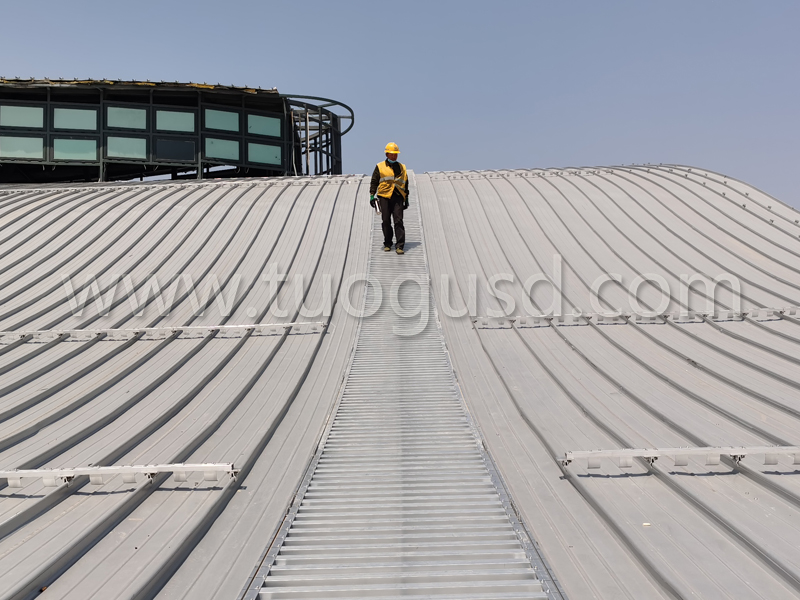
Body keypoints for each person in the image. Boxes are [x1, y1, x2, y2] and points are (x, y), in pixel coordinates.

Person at [369, 142, 409, 254]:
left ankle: (400, 245)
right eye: (392, 154)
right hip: (384, 196)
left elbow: (405, 183)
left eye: (396, 154)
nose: (394, 156)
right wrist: (372, 195)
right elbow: (374, 181)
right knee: (386, 220)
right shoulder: (380, 167)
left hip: (398, 197)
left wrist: (406, 198)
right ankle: (387, 243)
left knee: (398, 221)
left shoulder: (402, 167)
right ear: (387, 154)